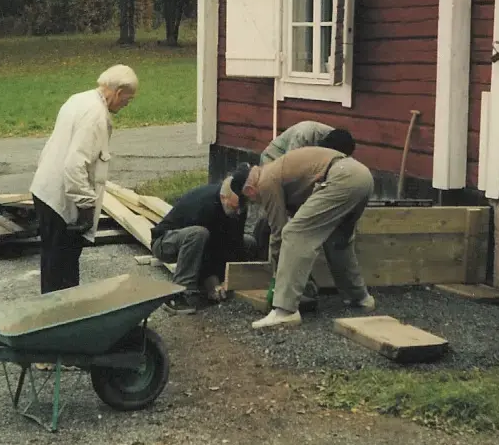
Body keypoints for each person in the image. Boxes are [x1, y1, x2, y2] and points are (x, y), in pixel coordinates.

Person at [231, 145, 375, 330]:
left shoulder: (266, 181)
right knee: (338, 242)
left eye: (250, 201)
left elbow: (279, 232)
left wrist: (277, 277)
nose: (255, 202)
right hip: (361, 176)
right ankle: (360, 298)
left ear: (249, 191)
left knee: (294, 233)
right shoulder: (276, 171)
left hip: (341, 178)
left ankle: (285, 311)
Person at [29, 64, 138, 293]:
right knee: (63, 268)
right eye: (127, 99)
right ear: (118, 92)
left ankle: (53, 309)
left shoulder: (79, 99)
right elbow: (75, 164)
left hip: (46, 189)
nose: (127, 104)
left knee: (52, 263)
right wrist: (87, 205)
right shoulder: (96, 116)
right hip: (61, 199)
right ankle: (64, 311)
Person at [242, 122, 356, 304]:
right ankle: (281, 276)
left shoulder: (339, 143)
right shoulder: (304, 136)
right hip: (275, 163)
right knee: (284, 223)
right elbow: (291, 169)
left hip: (302, 169)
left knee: (303, 219)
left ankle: (300, 279)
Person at [150, 176, 246, 314]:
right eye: (235, 207)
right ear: (223, 198)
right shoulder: (205, 207)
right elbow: (205, 251)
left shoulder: (236, 207)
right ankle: (179, 295)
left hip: (198, 244)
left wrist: (228, 279)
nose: (239, 212)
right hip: (165, 242)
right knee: (198, 234)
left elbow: (235, 242)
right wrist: (212, 283)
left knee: (249, 242)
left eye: (241, 208)